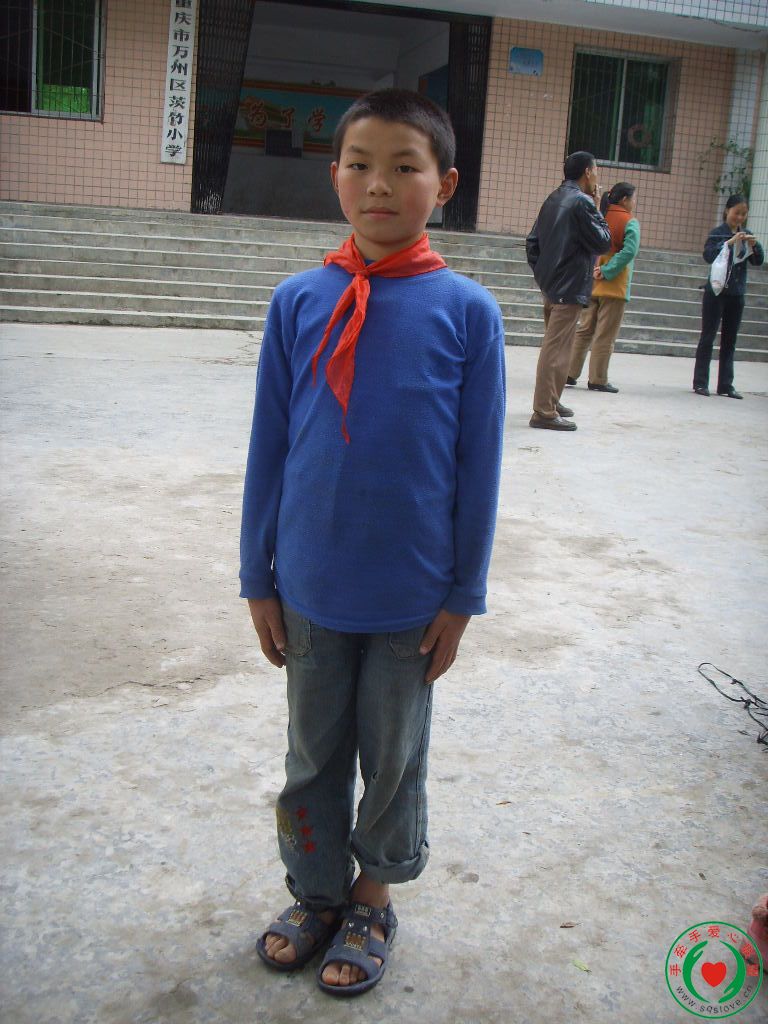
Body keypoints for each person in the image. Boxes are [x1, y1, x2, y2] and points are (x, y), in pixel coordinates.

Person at [239, 89, 506, 997]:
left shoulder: (468, 312)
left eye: (404, 166)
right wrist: (257, 576)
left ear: (446, 184)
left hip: (410, 600)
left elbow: (478, 465)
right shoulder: (297, 300)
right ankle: (315, 892)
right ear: (335, 175)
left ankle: (373, 896)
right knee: (312, 756)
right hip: (309, 587)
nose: (379, 185)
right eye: (359, 164)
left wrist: (463, 596)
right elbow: (270, 447)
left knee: (393, 759)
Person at [525, 151, 611, 431]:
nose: (596, 175)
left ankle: (552, 400)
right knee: (556, 350)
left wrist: (543, 275)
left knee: (560, 348)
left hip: (552, 286)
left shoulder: (553, 198)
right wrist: (597, 205)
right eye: (595, 170)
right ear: (587, 171)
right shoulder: (582, 202)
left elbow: (532, 243)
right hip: (569, 286)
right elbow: (603, 242)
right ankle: (544, 411)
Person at [566, 182, 640, 394]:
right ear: (625, 200)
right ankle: (598, 378)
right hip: (614, 286)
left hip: (592, 280)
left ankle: (569, 372)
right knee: (605, 335)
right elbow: (629, 251)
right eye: (634, 198)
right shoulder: (630, 221)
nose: (634, 203)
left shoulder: (601, 216)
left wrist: (597, 269)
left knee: (584, 330)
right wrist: (608, 271)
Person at [693, 193, 764, 399]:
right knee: (708, 336)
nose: (739, 217)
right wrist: (729, 243)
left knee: (730, 339)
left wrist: (754, 245)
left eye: (743, 214)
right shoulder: (718, 233)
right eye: (736, 213)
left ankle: (726, 384)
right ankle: (700, 382)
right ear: (727, 211)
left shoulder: (746, 234)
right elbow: (708, 255)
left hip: (736, 293)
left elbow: (758, 260)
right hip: (716, 292)